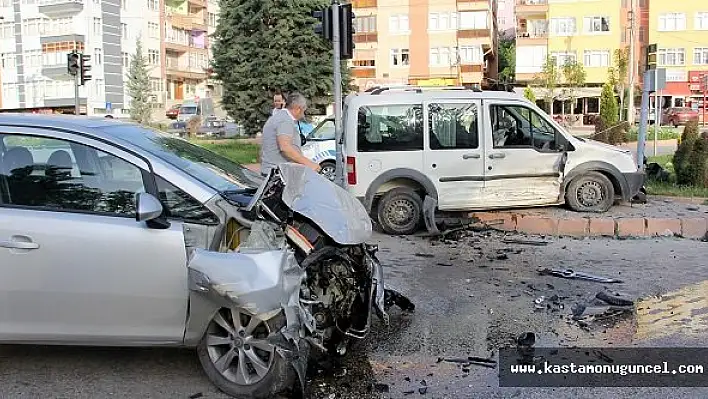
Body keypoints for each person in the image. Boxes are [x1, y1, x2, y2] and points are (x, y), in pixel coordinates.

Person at [260, 92, 321, 176]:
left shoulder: (277, 117)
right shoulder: (285, 120)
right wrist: (309, 164)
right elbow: (285, 147)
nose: (303, 114)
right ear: (298, 109)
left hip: (271, 172)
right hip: (278, 175)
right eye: (304, 110)